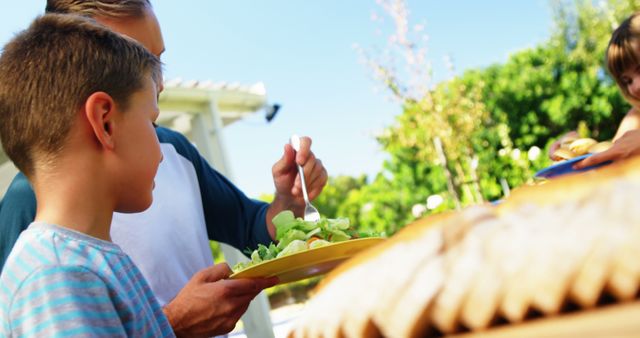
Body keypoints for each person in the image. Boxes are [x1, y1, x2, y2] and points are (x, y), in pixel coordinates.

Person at [0, 1, 327, 336]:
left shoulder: (101, 251)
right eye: (137, 56)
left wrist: (288, 202)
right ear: (104, 120)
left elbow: (251, 228)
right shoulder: (51, 266)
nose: (160, 83)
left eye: (158, 60)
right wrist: (174, 324)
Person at [0, 13, 175, 336]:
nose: (162, 151)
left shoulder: (82, 260)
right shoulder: (58, 273)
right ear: (105, 122)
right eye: (151, 124)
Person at [549, 12, 640, 169]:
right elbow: (611, 160)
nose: (636, 86)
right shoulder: (636, 117)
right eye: (627, 81)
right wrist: (576, 152)